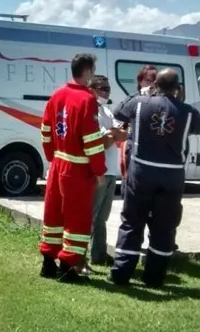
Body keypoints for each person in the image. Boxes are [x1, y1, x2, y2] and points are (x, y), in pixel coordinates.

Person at [109, 69, 200, 288]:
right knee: (164, 227)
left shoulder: (140, 103)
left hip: (141, 172)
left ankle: (121, 274)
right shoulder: (188, 112)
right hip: (171, 176)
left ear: (156, 85)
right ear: (178, 88)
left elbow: (118, 111)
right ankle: (154, 276)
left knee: (132, 221)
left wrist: (142, 92)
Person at [39, 53, 107, 283]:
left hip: (58, 162)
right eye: (93, 71)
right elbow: (91, 139)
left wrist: (52, 157)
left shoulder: (57, 95)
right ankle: (67, 268)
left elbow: (46, 130)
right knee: (77, 218)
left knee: (54, 214)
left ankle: (48, 263)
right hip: (77, 167)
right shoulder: (87, 99)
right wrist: (99, 171)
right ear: (87, 72)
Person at [83, 75, 126, 272]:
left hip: (111, 171)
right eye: (102, 88)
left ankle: (98, 255)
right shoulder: (91, 111)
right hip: (98, 171)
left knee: (102, 217)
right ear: (91, 89)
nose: (106, 92)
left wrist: (112, 133)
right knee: (90, 216)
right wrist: (112, 134)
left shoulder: (106, 110)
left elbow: (121, 134)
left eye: (108, 89)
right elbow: (104, 141)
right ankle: (80, 256)